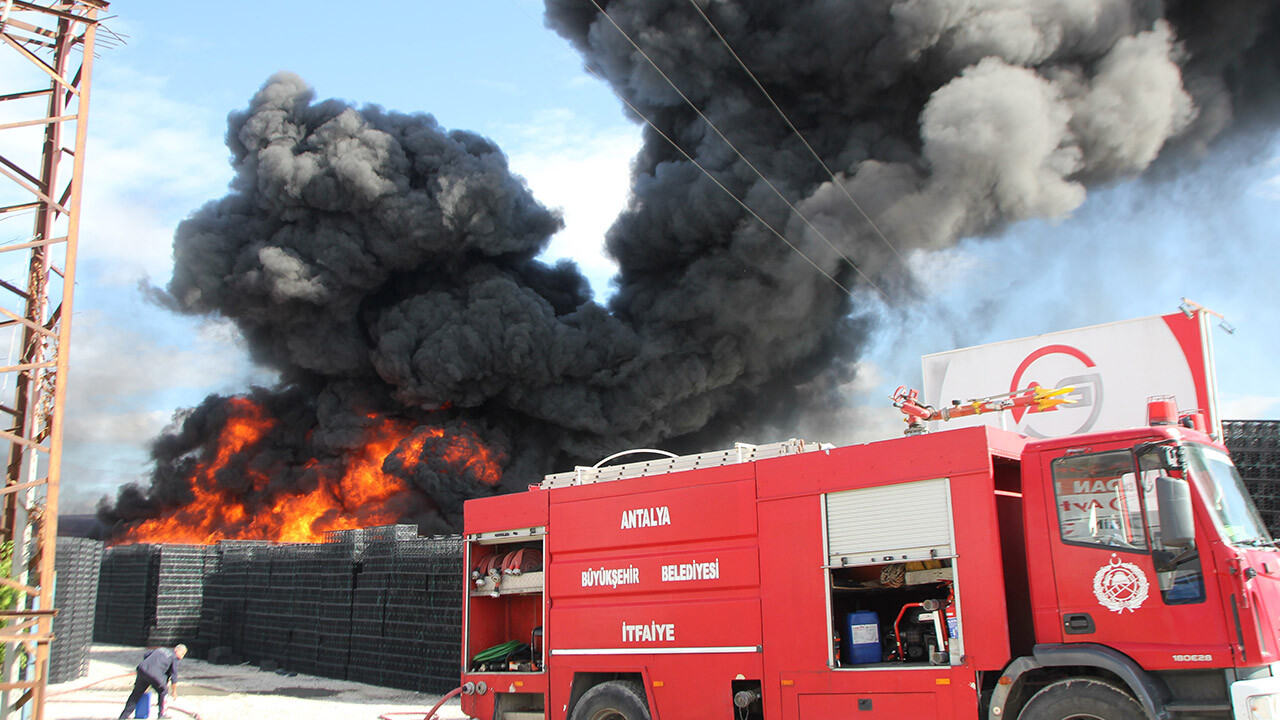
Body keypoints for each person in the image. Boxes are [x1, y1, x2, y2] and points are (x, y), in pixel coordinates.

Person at [119, 644, 186, 719]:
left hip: (142, 669)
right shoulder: (174, 658)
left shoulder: (161, 649)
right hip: (154, 674)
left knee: (135, 695)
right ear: (177, 650)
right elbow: (174, 676)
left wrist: (147, 667)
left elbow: (146, 654)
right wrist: (174, 691)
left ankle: (123, 717)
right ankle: (162, 714)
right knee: (163, 691)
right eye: (182, 654)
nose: (182, 657)